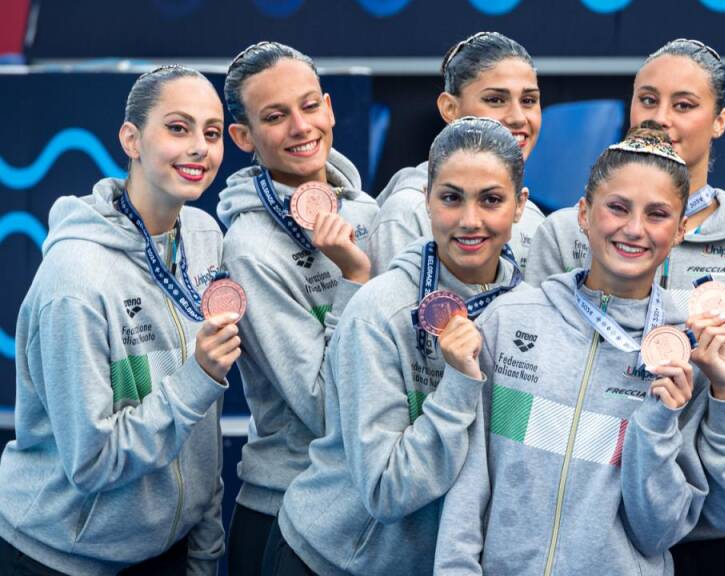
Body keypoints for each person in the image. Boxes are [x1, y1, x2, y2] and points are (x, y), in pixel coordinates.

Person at [434, 125, 725, 575]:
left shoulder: (687, 350)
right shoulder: (511, 319)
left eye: (657, 214)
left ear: (682, 228)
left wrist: (658, 424)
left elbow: (659, 533)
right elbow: (467, 484)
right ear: (584, 214)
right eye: (618, 208)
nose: (634, 229)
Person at [264, 117, 529, 575]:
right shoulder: (381, 311)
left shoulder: (529, 317)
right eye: (450, 198)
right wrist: (459, 384)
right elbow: (387, 490)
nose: (470, 220)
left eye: (491, 200)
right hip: (332, 561)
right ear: (426, 200)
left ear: (520, 206)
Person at [0, 66, 238, 575]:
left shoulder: (202, 236)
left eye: (212, 133)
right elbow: (93, 461)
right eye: (178, 128)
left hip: (167, 552)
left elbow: (202, 431)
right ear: (131, 138)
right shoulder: (75, 280)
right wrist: (197, 378)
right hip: (62, 556)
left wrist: (205, 546)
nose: (200, 146)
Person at [215, 41, 381, 575]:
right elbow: (324, 408)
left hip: (364, 508)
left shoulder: (368, 211)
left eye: (309, 106)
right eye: (275, 116)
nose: (300, 127)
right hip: (283, 512)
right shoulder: (250, 247)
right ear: (243, 137)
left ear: (329, 108)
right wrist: (356, 279)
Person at [526, 38, 725, 297]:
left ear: (719, 122)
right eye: (648, 100)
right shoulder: (563, 232)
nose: (659, 118)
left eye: (683, 105)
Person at [367, 31, 545, 274]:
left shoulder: (533, 218)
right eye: (495, 100)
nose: (517, 117)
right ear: (450, 108)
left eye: (528, 100)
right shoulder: (407, 213)